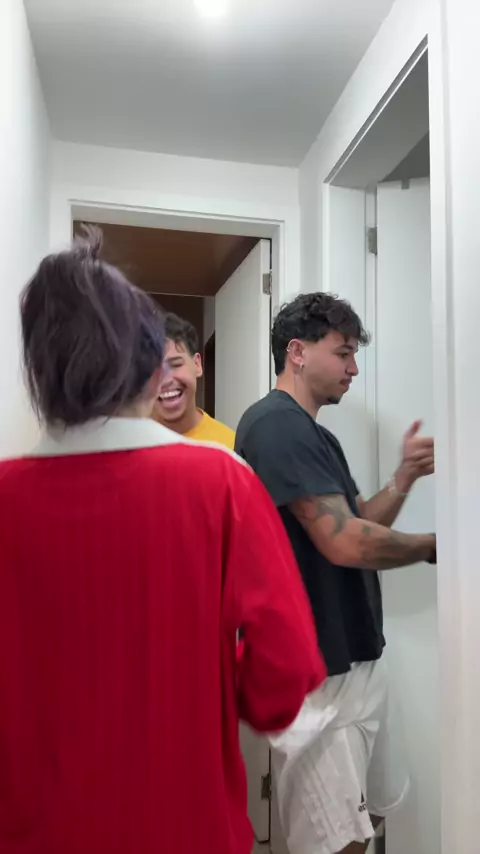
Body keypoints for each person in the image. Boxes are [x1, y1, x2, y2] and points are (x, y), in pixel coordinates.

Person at [0, 233, 326, 854]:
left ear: (39, 375)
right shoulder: (221, 483)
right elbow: (285, 669)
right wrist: (208, 683)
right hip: (184, 823)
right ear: (152, 370)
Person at [235, 292, 436, 854]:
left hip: (354, 658)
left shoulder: (313, 433)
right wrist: (438, 548)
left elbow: (356, 522)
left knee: (367, 821)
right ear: (296, 352)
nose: (353, 369)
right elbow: (345, 543)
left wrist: (403, 478)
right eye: (343, 353)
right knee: (335, 843)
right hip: (317, 675)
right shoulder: (275, 426)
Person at [152, 312, 235, 449]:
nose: (166, 380)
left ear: (197, 364)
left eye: (176, 365)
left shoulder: (228, 446)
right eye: (154, 370)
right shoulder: (130, 446)